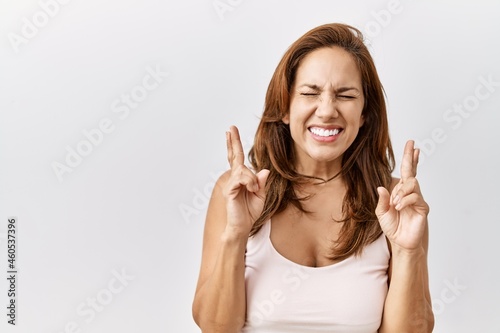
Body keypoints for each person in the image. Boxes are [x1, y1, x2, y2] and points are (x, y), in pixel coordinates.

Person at [192, 23, 434, 332]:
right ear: (285, 107)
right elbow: (216, 328)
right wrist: (236, 234)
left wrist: (407, 251)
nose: (327, 111)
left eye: (345, 95)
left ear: (363, 114)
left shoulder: (396, 202)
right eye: (310, 93)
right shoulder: (237, 192)